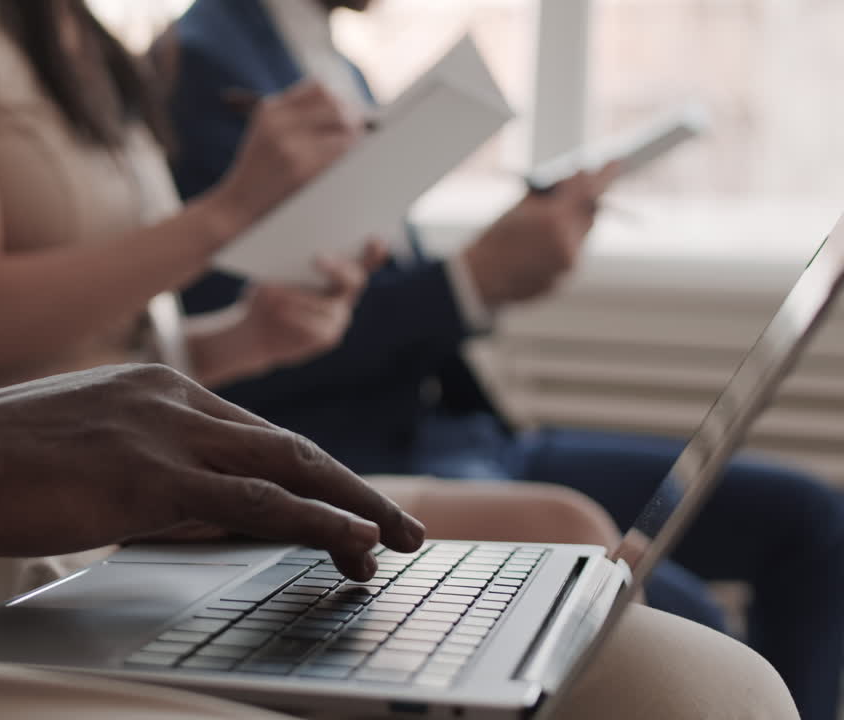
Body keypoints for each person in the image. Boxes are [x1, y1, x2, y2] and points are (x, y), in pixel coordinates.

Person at [0, 2, 803, 718]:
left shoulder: (80, 50)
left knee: (686, 677)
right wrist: (233, 227)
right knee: (589, 579)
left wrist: (229, 338)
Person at [162, 1, 844, 717]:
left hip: (455, 431)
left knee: (812, 521)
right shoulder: (203, 63)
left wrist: (493, 271)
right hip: (363, 458)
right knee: (687, 625)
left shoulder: (340, 65)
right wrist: (469, 283)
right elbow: (242, 345)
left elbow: (355, 277)